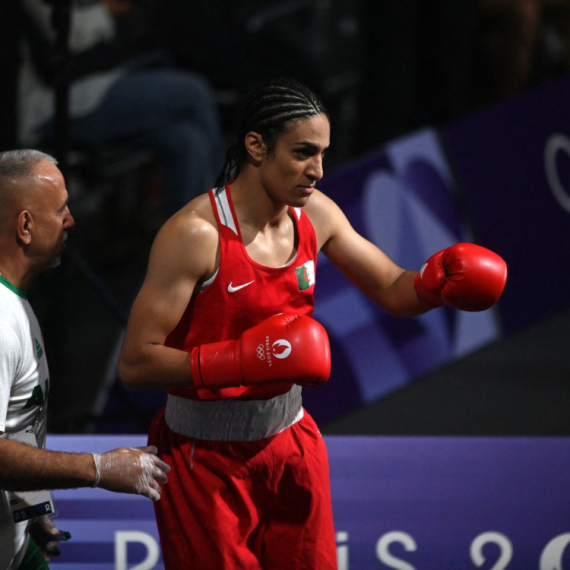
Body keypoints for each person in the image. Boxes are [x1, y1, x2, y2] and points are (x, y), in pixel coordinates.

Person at [118, 78, 507, 569]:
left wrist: (433, 285)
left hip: (292, 443)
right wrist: (237, 361)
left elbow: (392, 287)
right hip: (204, 456)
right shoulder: (195, 235)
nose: (317, 171)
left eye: (322, 154)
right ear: (256, 146)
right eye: (303, 153)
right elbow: (136, 364)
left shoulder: (315, 215)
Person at [0, 149, 171, 570]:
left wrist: (30, 510)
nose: (71, 220)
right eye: (61, 210)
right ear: (25, 226)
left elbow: (16, 424)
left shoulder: (16, 302)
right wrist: (99, 468)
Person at [18, 0, 224, 214]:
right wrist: (109, 9)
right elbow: (73, 36)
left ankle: (196, 231)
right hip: (52, 105)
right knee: (194, 92)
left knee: (186, 139)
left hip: (95, 82)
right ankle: (226, 218)